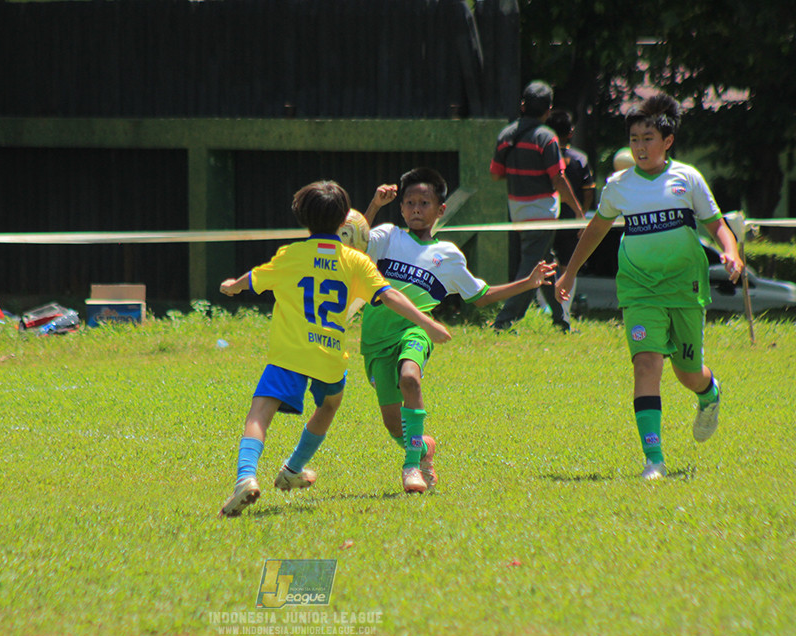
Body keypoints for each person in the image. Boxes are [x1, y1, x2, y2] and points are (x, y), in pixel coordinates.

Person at [218, 180, 451, 517]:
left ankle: (245, 478)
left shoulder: (291, 255)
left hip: (290, 355)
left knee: (260, 413)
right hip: (328, 357)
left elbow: (253, 278)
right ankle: (293, 468)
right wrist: (428, 323)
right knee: (329, 403)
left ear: (302, 216)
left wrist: (232, 286)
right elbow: (389, 295)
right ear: (346, 218)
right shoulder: (355, 261)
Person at [554, 93, 744, 480]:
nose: (640, 147)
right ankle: (653, 459)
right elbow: (595, 231)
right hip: (640, 289)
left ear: (667, 141)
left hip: (685, 288)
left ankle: (709, 393)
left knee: (686, 373)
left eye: (648, 138)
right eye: (634, 139)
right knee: (646, 364)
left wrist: (731, 252)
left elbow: (716, 224)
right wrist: (570, 271)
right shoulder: (619, 185)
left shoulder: (687, 178)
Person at [362, 167, 557, 493]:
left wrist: (528, 282)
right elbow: (352, 245)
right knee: (393, 424)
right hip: (375, 340)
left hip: (417, 330)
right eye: (409, 202)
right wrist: (373, 206)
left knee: (410, 377)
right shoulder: (386, 237)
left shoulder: (448, 256)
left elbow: (480, 297)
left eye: (424, 203)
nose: (415, 209)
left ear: (441, 210)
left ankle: (411, 466)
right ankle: (423, 447)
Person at [489, 81, 584, 333]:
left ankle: (561, 320)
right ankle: (504, 320)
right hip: (542, 212)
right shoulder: (546, 137)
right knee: (531, 267)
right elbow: (558, 179)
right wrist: (577, 210)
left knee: (545, 265)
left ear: (522, 105)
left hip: (518, 211)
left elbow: (496, 174)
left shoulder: (505, 136)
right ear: (548, 109)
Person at [545, 109, 596, 324]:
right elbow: (588, 190)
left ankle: (546, 308)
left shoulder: (544, 156)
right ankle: (564, 309)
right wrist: (581, 215)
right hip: (571, 220)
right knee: (569, 264)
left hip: (546, 217)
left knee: (546, 262)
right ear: (571, 132)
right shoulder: (579, 158)